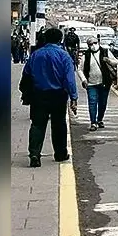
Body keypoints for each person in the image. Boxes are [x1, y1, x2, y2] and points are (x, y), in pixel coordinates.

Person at [19, 27, 78, 167]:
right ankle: (60, 153)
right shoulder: (64, 56)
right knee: (59, 125)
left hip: (38, 95)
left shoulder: (36, 55)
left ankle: (34, 154)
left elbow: (26, 73)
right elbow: (69, 79)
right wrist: (73, 97)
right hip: (58, 95)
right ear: (60, 39)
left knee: (37, 125)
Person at [78, 36, 118, 131]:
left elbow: (116, 63)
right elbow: (80, 69)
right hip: (91, 83)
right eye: (90, 44)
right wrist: (83, 79)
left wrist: (109, 60)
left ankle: (100, 120)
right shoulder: (86, 55)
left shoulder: (106, 52)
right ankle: (93, 122)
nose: (93, 45)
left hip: (104, 83)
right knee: (92, 102)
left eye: (94, 43)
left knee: (102, 103)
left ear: (98, 43)